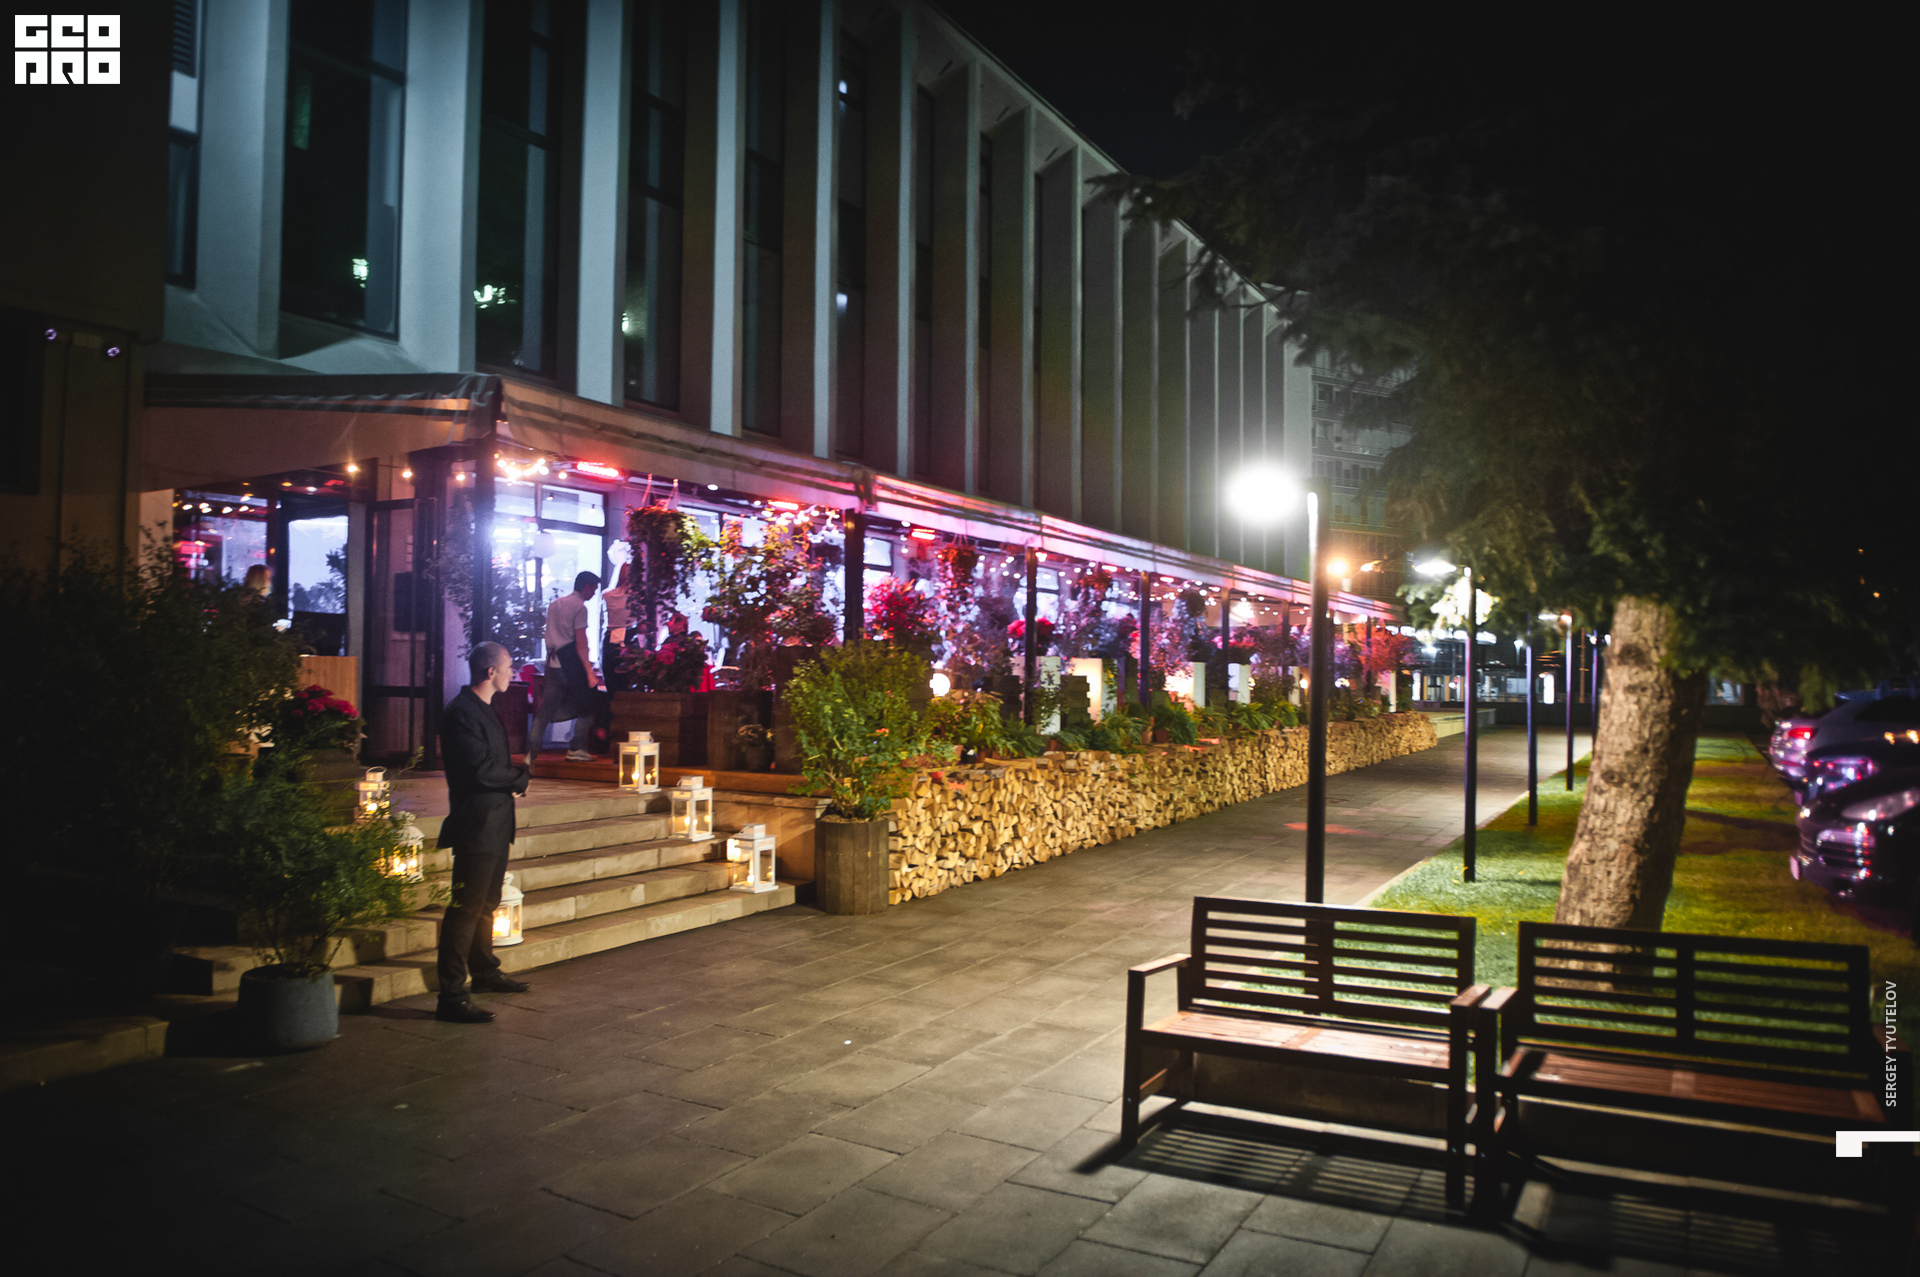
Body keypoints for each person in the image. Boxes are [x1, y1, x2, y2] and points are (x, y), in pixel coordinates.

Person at [436, 642, 533, 1024]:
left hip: (495, 823)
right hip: (476, 825)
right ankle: (451, 995)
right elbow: (481, 770)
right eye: (508, 667)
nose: (513, 673)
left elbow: (492, 765)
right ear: (491, 671)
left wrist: (514, 776)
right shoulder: (462, 712)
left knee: (487, 903)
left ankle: (484, 971)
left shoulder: (485, 709)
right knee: (466, 908)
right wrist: (519, 776)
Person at [526, 571, 604, 765]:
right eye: (594, 588)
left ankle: (530, 754)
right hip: (569, 662)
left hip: (552, 662)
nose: (594, 593)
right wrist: (590, 673)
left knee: (545, 709)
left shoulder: (555, 604)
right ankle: (576, 748)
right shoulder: (580, 608)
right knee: (589, 704)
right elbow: (581, 643)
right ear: (586, 586)